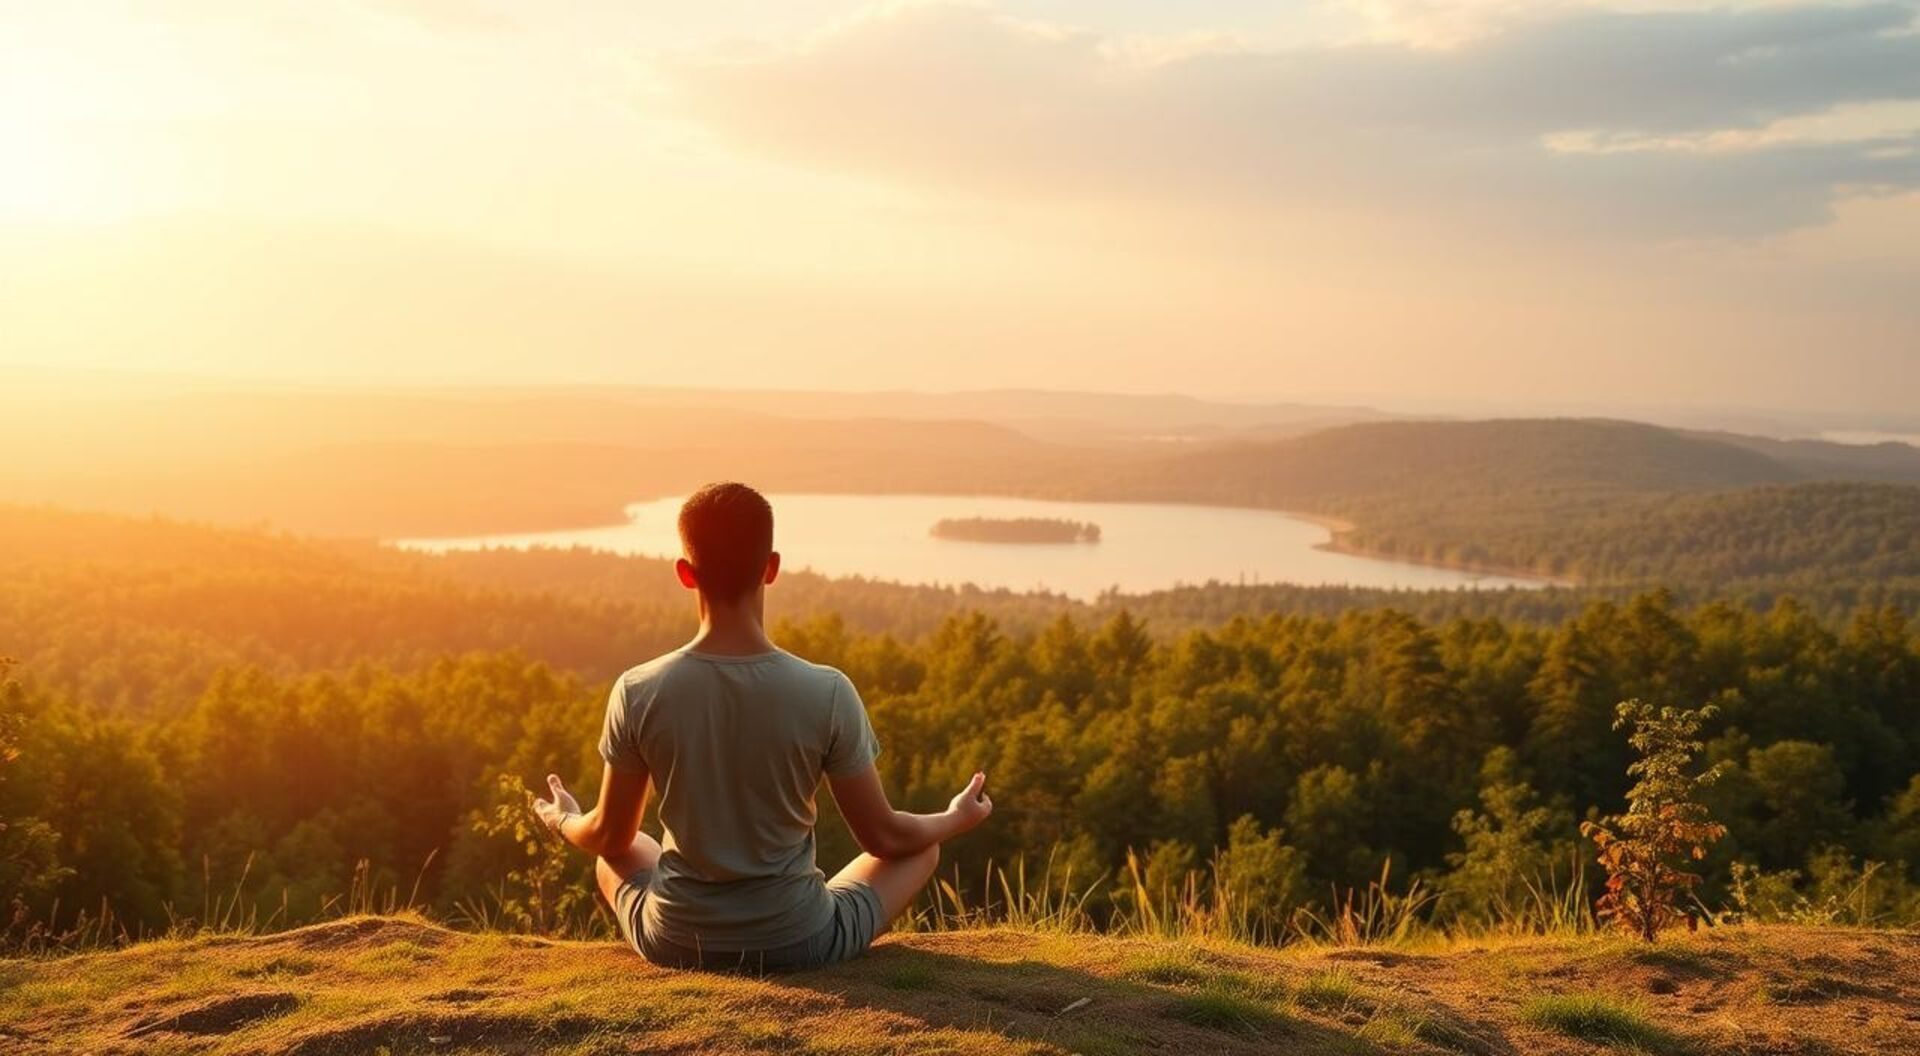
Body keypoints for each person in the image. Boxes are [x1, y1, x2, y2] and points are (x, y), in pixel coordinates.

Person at [531, 482, 993, 971]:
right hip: (799, 940)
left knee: (621, 852)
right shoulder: (827, 692)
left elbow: (608, 836)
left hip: (678, 941)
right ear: (771, 568)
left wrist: (562, 818)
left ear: (685, 574)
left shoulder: (638, 690)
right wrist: (955, 818)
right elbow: (886, 838)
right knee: (921, 847)